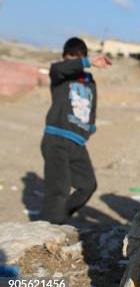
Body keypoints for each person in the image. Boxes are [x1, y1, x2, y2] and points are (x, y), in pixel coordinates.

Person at [41, 37, 112, 224]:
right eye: (71, 57)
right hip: (56, 138)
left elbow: (92, 106)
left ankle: (57, 218)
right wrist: (87, 61)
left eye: (79, 57)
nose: (74, 61)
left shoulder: (89, 80)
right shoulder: (59, 75)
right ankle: (50, 227)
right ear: (64, 57)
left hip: (78, 143)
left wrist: (91, 126)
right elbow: (59, 68)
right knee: (59, 189)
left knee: (88, 186)